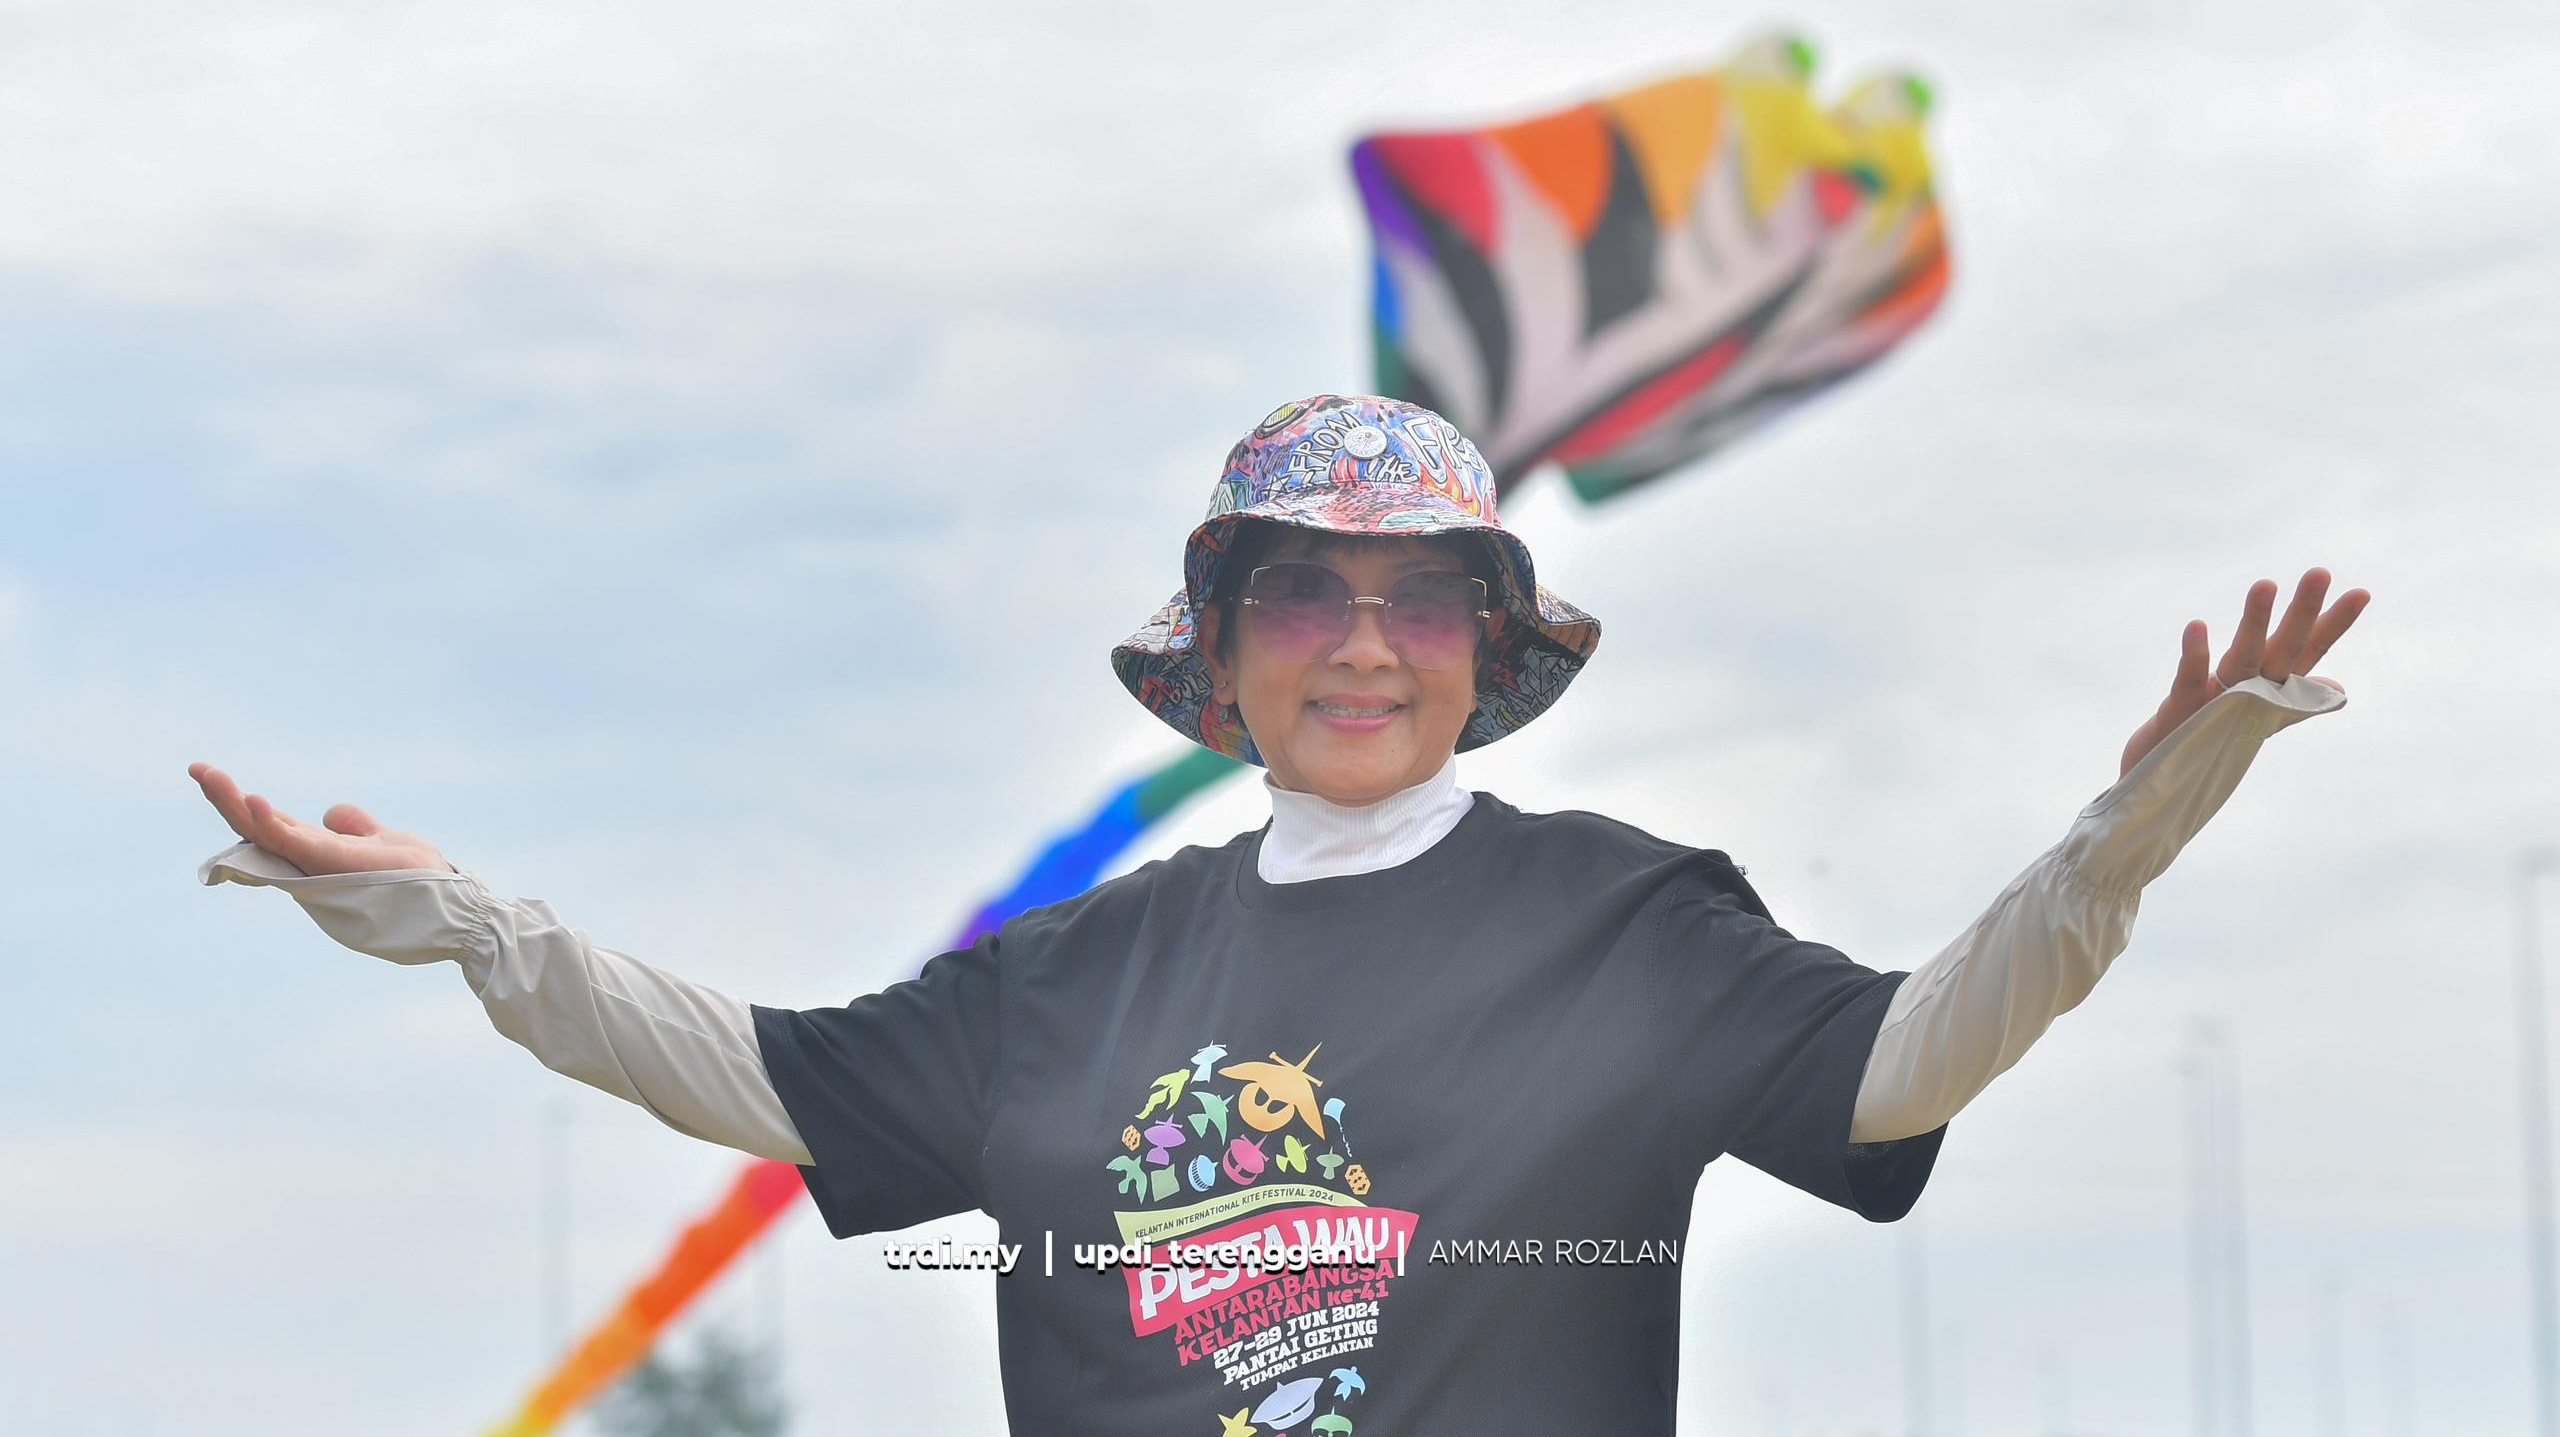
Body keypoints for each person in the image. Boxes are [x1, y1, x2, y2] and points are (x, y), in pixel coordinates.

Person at [190, 393, 2367, 1434]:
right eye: (1304, 591)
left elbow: (1903, 1063)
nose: (1364, 640)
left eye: (1422, 594)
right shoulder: (1073, 969)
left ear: (1485, 652)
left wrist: (2116, 845)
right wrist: (473, 923)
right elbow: (752, 1078)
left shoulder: (1626, 921)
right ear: (1217, 659)